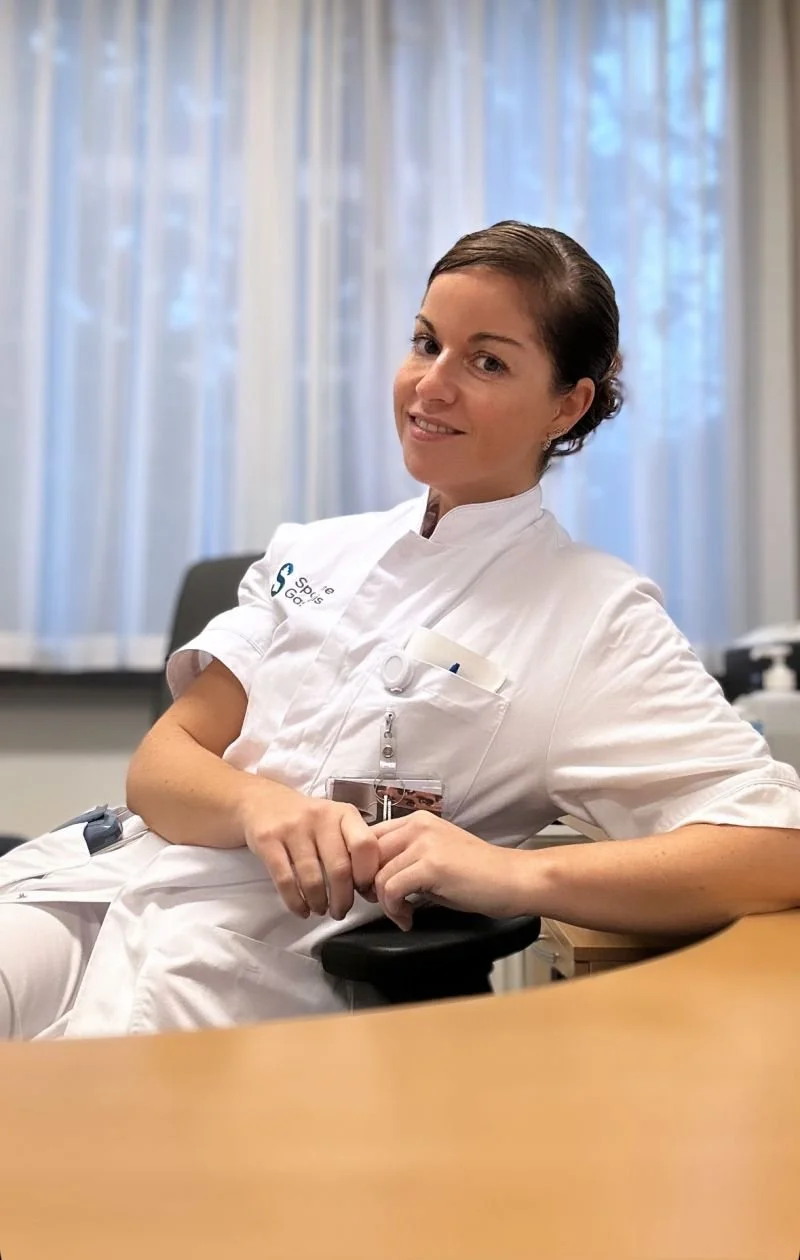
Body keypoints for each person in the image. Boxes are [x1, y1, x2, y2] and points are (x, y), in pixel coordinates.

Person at [2, 220, 800, 1039]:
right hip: (93, 888)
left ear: (567, 404)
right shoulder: (313, 551)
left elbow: (777, 846)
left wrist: (515, 874)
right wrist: (258, 807)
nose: (432, 386)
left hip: (247, 957)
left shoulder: (594, 616)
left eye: (487, 361)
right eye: (426, 343)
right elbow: (162, 770)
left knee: (72, 1133)